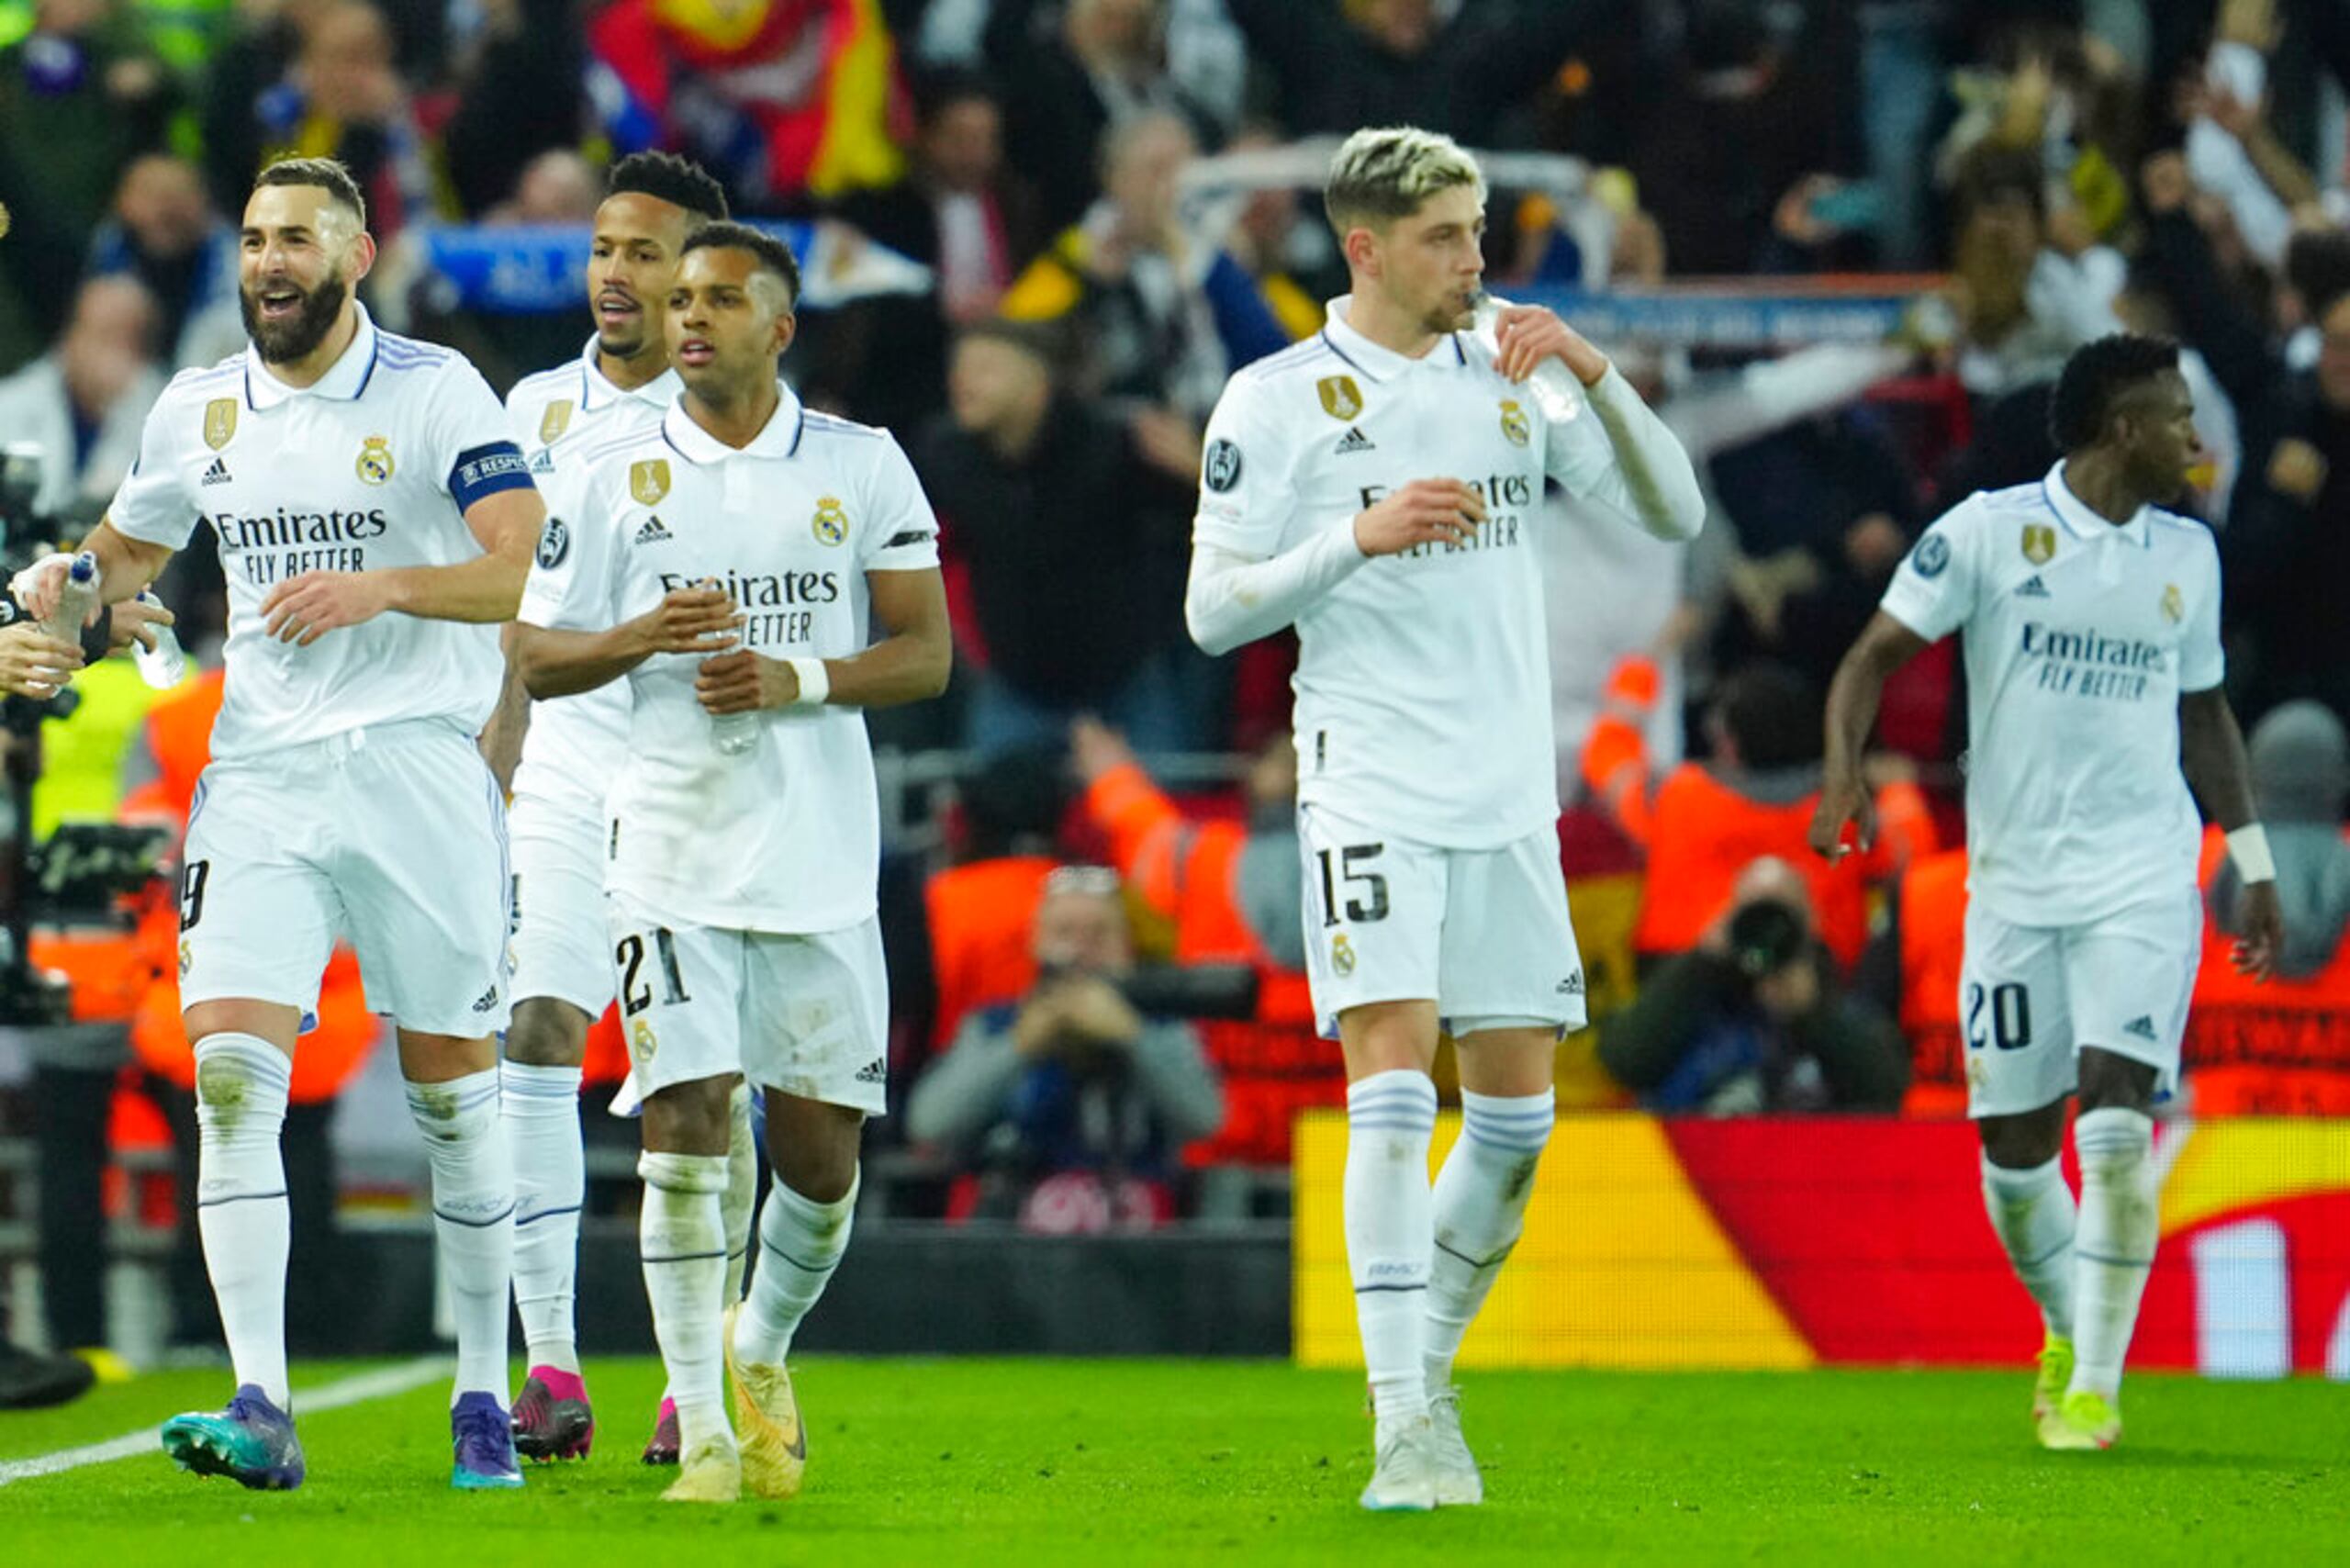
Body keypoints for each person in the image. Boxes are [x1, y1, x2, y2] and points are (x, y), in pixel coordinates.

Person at [1184, 125, 1703, 1510]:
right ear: (1364, 248)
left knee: (1521, 1128)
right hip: (1368, 782)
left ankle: (1423, 1373)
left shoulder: (1514, 380)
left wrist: (1592, 369)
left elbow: (1676, 507)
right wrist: (1352, 538)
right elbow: (1212, 608)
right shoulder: (1275, 400)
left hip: (1505, 796)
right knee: (1395, 1087)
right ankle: (1405, 1417)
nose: (1476, 260)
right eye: (1446, 238)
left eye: (1479, 232)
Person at [11, 154, 545, 1491]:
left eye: (298, 239)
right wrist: (71, 590)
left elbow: (513, 562)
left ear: (357, 256)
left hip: (419, 764)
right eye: (253, 240)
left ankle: (484, 1391)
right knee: (231, 1078)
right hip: (262, 772)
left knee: (450, 1100)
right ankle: (262, 1400)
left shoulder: (434, 392)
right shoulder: (199, 406)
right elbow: (130, 551)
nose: (270, 262)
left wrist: (384, 588)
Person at [513, 222, 951, 1504]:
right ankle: (701, 1435)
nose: (687, 317)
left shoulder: (862, 466)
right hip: (665, 839)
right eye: (679, 297)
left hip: (816, 854)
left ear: (782, 324)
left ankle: (755, 1349)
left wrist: (794, 675)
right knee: (685, 1123)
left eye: (717, 300)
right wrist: (644, 632)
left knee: (822, 1162)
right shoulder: (601, 471)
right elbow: (537, 660)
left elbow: (923, 656)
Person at [1810, 332, 2285, 1452]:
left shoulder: (2187, 556)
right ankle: (2066, 1328)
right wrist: (1843, 775)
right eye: (2175, 415)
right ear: (2122, 429)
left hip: (2142, 874)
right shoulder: (1986, 531)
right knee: (2017, 1160)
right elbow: (1869, 656)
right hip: (2014, 887)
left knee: (2117, 1115)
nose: (2195, 437)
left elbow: (2203, 712)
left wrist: (2249, 859)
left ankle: (2096, 1390)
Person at [491, 148, 734, 1471]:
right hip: (569, 755)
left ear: (697, 275)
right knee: (534, 1028)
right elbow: (508, 601)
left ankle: (696, 1373)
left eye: (643, 254)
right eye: (602, 251)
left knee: (697, 1073)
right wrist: (495, 730)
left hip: (695, 767)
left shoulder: (738, 417)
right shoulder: (530, 411)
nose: (615, 276)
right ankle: (552, 1365)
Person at [904, 865, 1224, 1228]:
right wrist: (1020, 1048)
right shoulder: (994, 1026)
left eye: (1099, 934)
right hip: (1007, 1242)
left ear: (1128, 948)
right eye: (1064, 933)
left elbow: (1206, 1119)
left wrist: (1131, 1038)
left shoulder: (1161, 1028)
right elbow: (929, 1124)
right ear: (1036, 943)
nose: (1081, 950)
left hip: (1137, 1247)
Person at [1590, 857, 1910, 1114]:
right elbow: (1623, 1060)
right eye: (1756, 913)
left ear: (1810, 921)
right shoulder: (1697, 991)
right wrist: (1699, 963)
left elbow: (1887, 1090)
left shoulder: (1835, 991)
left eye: (1782, 914)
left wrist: (1813, 1013)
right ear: (1730, 914)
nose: (1768, 931)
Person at [0, 274, 165, 527]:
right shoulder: (11, 405)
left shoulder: (161, 412)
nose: (112, 354)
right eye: (103, 335)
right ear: (70, 335)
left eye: (126, 341)